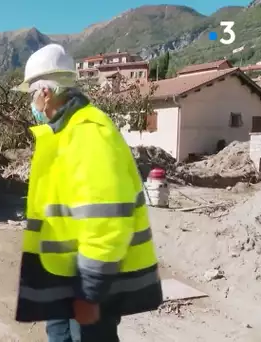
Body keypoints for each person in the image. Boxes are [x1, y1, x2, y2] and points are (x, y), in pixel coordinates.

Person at [12, 44, 163, 342]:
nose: (30, 103)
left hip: (85, 287)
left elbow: (106, 221)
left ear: (46, 93)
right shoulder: (63, 133)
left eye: (31, 94)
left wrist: (90, 292)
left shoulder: (89, 132)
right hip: (63, 279)